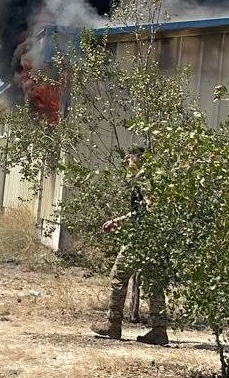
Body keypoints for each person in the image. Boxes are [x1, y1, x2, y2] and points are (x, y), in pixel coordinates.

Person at [90, 146, 169, 346]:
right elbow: (142, 212)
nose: (128, 163)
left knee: (119, 275)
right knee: (154, 283)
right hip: (151, 238)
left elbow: (150, 211)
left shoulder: (147, 182)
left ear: (140, 161)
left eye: (131, 160)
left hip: (142, 239)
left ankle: (113, 324)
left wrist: (138, 231)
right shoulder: (149, 181)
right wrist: (119, 221)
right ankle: (159, 330)